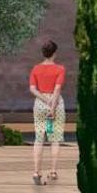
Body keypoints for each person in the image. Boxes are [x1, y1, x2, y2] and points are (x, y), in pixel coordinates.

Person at [29, 40, 67, 184]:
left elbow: (33, 89)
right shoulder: (60, 69)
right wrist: (52, 105)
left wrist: (44, 100)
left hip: (39, 103)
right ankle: (52, 171)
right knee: (54, 138)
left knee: (39, 138)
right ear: (54, 53)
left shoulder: (36, 69)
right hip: (55, 103)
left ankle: (36, 172)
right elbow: (57, 88)